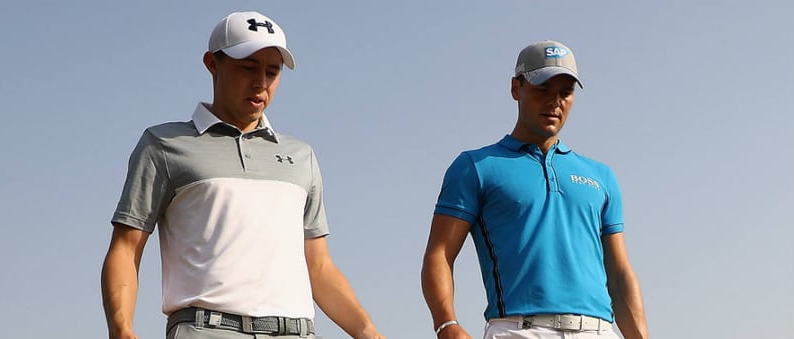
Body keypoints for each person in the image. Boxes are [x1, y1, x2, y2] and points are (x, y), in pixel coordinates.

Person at [101, 11, 385, 339]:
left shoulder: (301, 156)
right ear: (212, 63)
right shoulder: (163, 145)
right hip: (206, 330)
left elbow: (319, 266)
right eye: (248, 68)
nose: (261, 83)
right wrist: (121, 329)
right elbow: (125, 247)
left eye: (272, 72)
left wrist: (368, 332)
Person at [420, 40, 649, 339]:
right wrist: (446, 324)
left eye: (565, 92)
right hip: (519, 330)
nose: (555, 101)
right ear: (516, 88)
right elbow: (439, 253)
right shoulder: (475, 167)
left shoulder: (600, 176)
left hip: (599, 331)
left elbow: (619, 276)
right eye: (542, 90)